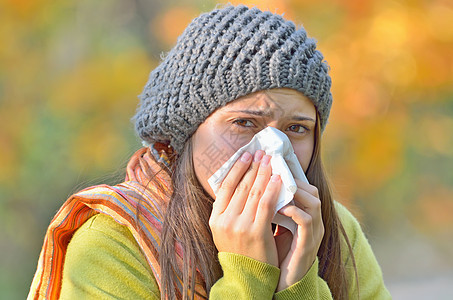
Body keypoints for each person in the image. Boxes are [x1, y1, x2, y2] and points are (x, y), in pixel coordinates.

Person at [28, 4, 391, 300]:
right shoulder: (113, 243)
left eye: (297, 128)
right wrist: (247, 276)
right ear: (185, 134)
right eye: (245, 123)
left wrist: (301, 284)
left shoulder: (334, 229)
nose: (274, 148)